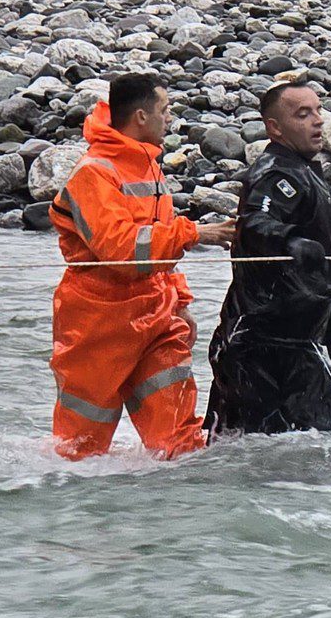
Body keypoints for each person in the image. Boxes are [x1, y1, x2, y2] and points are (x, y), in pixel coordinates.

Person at [48, 73, 235, 459]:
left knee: (180, 446)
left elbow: (158, 245)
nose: (170, 119)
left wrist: (180, 302)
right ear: (141, 117)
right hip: (97, 323)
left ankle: (189, 496)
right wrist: (196, 232)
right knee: (79, 453)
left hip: (156, 313)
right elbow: (123, 250)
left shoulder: (148, 165)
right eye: (165, 110)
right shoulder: (94, 174)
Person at [205, 79, 331, 435]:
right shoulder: (276, 174)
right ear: (275, 128)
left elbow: (306, 283)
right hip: (258, 350)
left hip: (295, 342)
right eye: (303, 114)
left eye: (318, 110)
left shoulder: (305, 171)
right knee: (311, 443)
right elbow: (255, 223)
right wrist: (290, 240)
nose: (318, 120)